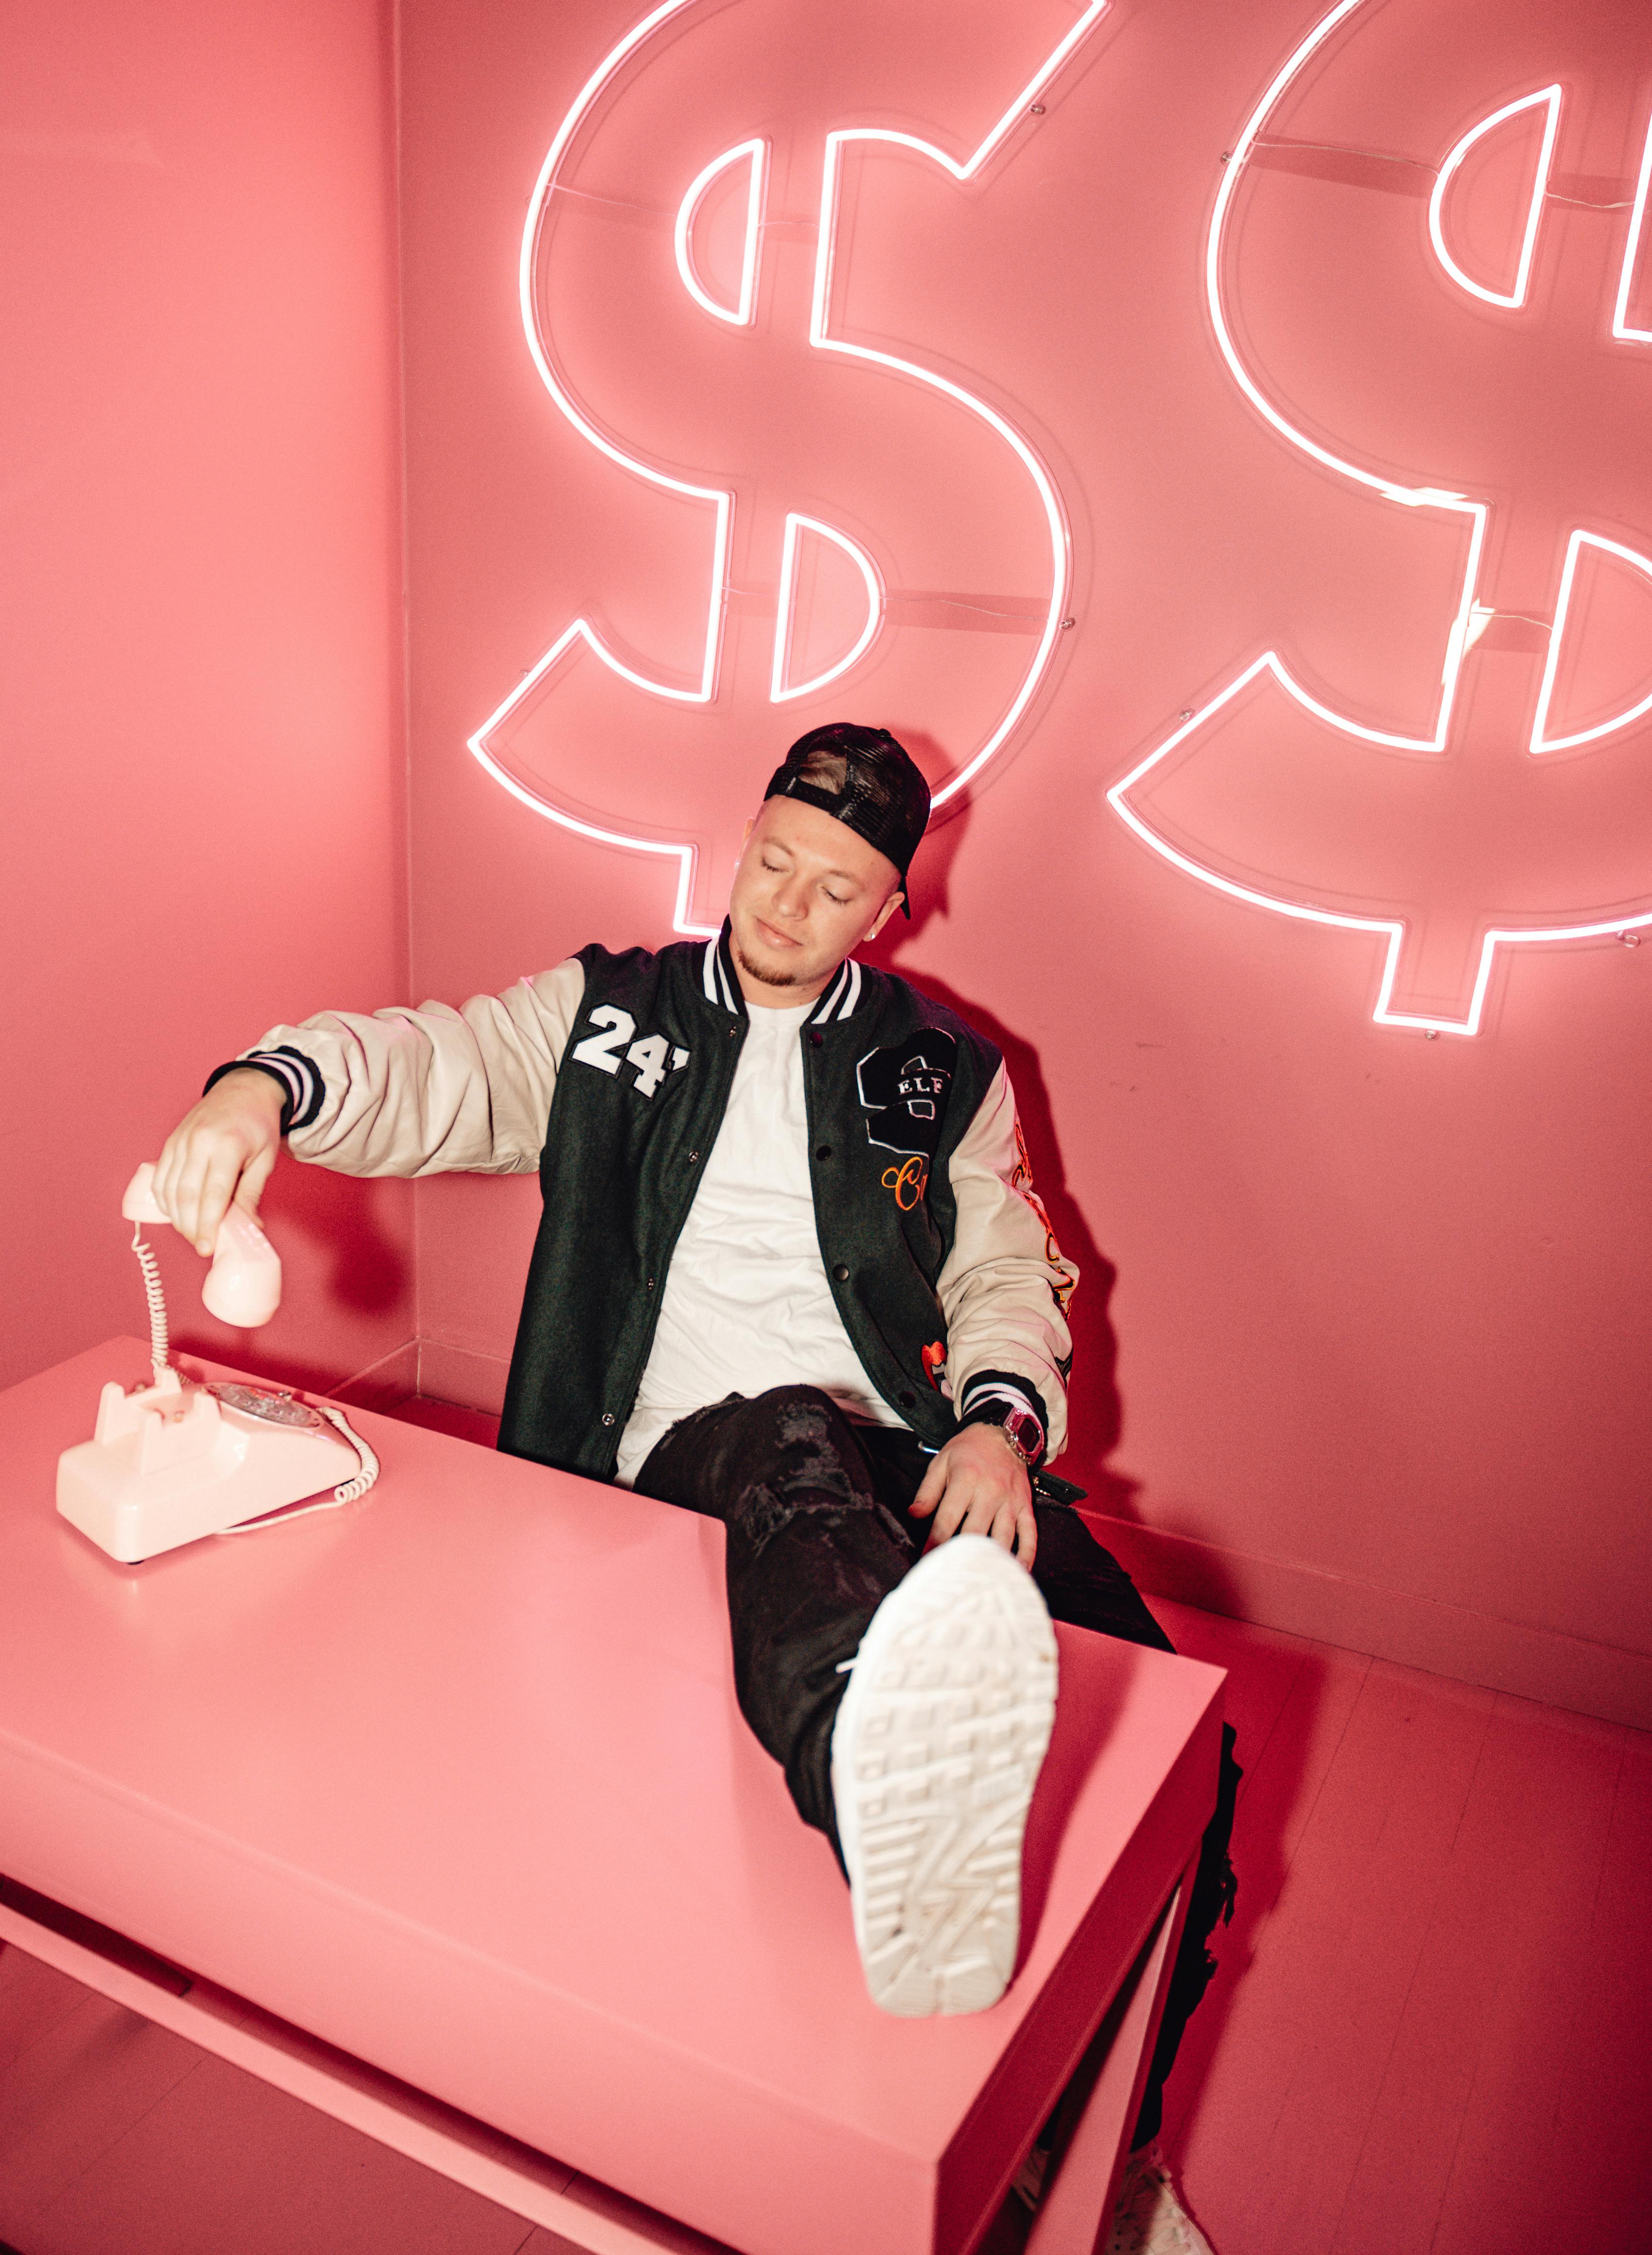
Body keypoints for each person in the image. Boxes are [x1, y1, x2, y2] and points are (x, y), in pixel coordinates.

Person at [152, 723, 1236, 2246]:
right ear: (744, 837)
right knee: (789, 1430)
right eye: (772, 861)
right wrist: (267, 1086)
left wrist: (999, 1424)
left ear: (892, 912)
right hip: (681, 1450)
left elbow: (1006, 1269)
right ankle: (881, 1779)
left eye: (834, 888)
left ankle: (1099, 2160)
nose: (785, 907)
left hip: (911, 1454)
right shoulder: (616, 1017)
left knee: (1188, 1748)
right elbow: (437, 1059)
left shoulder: (945, 1073)